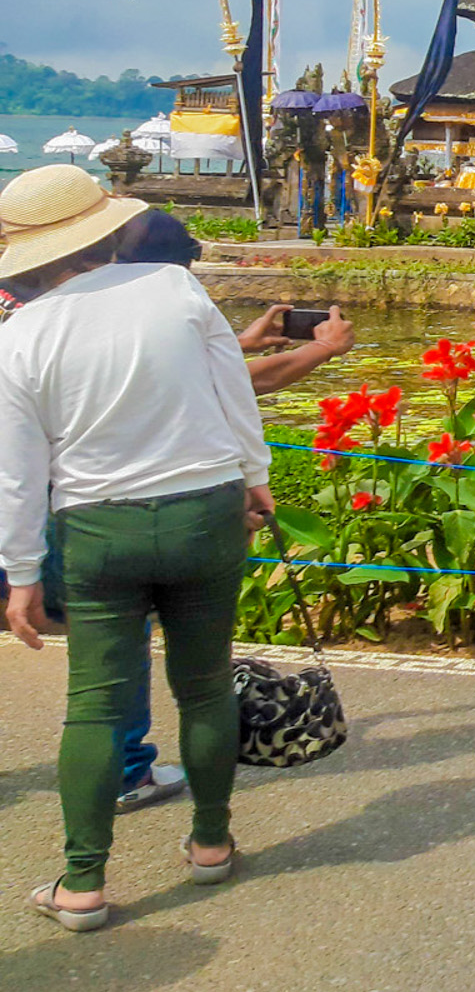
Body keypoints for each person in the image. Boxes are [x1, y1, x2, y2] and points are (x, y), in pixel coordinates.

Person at [1, 167, 272, 931]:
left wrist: (22, 572)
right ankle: (212, 843)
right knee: (205, 682)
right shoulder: (174, 289)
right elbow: (233, 394)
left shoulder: (20, 333)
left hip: (96, 527)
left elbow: (17, 473)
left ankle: (82, 882)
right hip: (203, 510)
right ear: (107, 229)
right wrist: (255, 479)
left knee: (93, 706)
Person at [53, 210, 354, 815]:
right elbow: (234, 388)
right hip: (143, 515)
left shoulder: (47, 308)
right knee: (188, 684)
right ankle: (192, 822)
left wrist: (230, 342)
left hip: (79, 511)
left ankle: (86, 865)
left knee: (103, 677)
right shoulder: (102, 300)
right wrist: (318, 354)